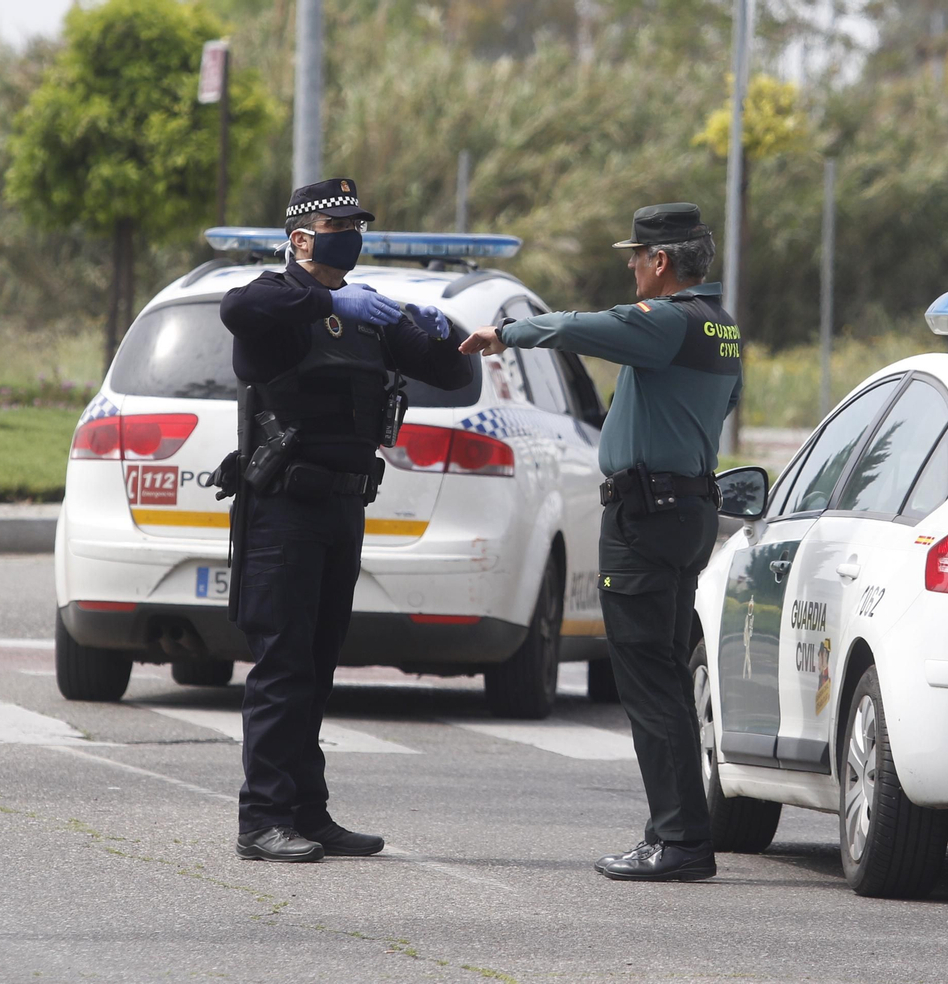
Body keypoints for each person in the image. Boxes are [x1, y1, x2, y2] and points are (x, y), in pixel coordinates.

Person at [460, 202, 741, 882]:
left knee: (648, 680)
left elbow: (586, 327)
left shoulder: (667, 321)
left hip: (646, 518)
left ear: (662, 262)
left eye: (636, 256)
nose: (630, 266)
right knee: (667, 676)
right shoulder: (722, 327)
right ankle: (675, 832)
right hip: (685, 509)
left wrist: (509, 334)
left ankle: (678, 842)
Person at [220, 178, 472, 862]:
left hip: (343, 506)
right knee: (283, 665)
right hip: (284, 510)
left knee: (319, 664)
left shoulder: (366, 318)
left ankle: (308, 811)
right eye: (338, 222)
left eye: (358, 223)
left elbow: (452, 376)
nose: (351, 233)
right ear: (301, 237)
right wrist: (330, 298)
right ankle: (262, 819)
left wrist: (434, 328)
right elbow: (239, 308)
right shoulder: (279, 304)